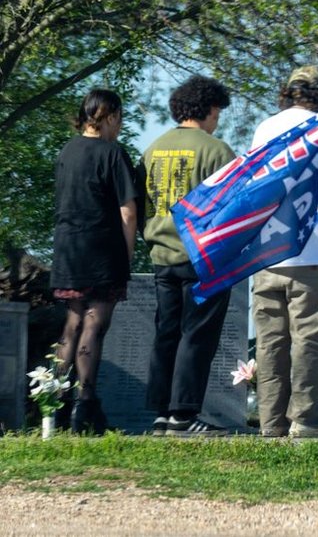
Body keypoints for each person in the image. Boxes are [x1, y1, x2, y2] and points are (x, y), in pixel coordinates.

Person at [249, 65, 318, 438]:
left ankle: (271, 422)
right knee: (313, 337)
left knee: (272, 341)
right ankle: (305, 419)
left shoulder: (265, 129)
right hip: (316, 248)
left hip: (268, 250)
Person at [139, 75, 236, 437]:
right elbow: (232, 206)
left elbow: (140, 201)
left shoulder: (152, 149)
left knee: (167, 333)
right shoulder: (216, 150)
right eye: (218, 113)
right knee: (197, 335)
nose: (218, 120)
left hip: (161, 254)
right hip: (203, 256)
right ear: (209, 109)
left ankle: (162, 412)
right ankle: (184, 414)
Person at [50, 88, 138, 434]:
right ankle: (85, 405)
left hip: (68, 248)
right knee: (94, 326)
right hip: (102, 249)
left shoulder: (66, 152)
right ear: (110, 116)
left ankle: (53, 403)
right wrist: (127, 255)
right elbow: (127, 212)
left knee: (71, 326)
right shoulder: (113, 153)